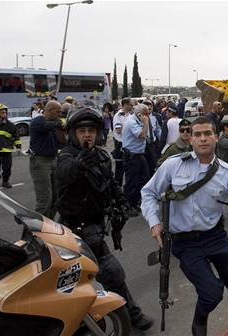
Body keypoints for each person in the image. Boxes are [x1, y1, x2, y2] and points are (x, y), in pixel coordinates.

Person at [141, 117, 228, 336]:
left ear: (216, 136)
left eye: (207, 133)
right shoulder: (173, 165)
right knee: (212, 292)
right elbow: (148, 192)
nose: (203, 138)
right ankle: (199, 323)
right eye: (197, 134)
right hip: (185, 242)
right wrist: (154, 222)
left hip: (214, 236)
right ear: (191, 139)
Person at [56, 103, 153, 331]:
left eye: (91, 130)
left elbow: (110, 182)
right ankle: (131, 315)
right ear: (73, 133)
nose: (87, 135)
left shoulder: (99, 155)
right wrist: (79, 165)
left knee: (88, 277)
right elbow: (65, 172)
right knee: (110, 273)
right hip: (75, 230)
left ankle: (89, 318)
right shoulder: (67, 156)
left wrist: (120, 202)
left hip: (96, 225)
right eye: (82, 131)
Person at [28, 101, 65, 218]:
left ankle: (47, 226)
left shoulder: (52, 124)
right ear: (50, 110)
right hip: (40, 161)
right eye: (58, 112)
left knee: (56, 198)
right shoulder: (38, 121)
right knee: (44, 200)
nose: (59, 114)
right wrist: (60, 124)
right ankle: (32, 232)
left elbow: (60, 141)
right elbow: (50, 126)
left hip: (52, 160)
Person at [121, 103, 151, 216]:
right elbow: (142, 135)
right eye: (146, 114)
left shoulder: (137, 120)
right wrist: (146, 123)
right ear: (139, 114)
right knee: (132, 181)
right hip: (131, 156)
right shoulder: (132, 121)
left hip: (138, 154)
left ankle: (135, 201)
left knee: (144, 178)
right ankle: (128, 205)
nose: (147, 116)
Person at [0, 103, 21, 188]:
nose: (4, 114)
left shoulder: (10, 125)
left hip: (6, 150)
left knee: (7, 167)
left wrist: (18, 147)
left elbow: (16, 137)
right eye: (2, 112)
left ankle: (5, 181)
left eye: (5, 112)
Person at [111, 98, 133, 186]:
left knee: (128, 168)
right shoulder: (118, 116)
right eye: (130, 105)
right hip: (120, 144)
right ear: (125, 105)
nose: (132, 106)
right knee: (119, 168)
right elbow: (118, 130)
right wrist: (130, 128)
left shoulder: (130, 115)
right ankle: (117, 188)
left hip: (129, 144)